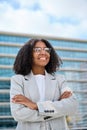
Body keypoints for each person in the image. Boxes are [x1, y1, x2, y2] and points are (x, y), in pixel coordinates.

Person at [10, 38, 78, 130]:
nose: (43, 53)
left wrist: (35, 106)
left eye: (46, 50)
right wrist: (57, 108)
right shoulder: (18, 80)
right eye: (37, 50)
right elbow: (18, 114)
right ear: (28, 55)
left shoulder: (59, 79)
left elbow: (72, 105)